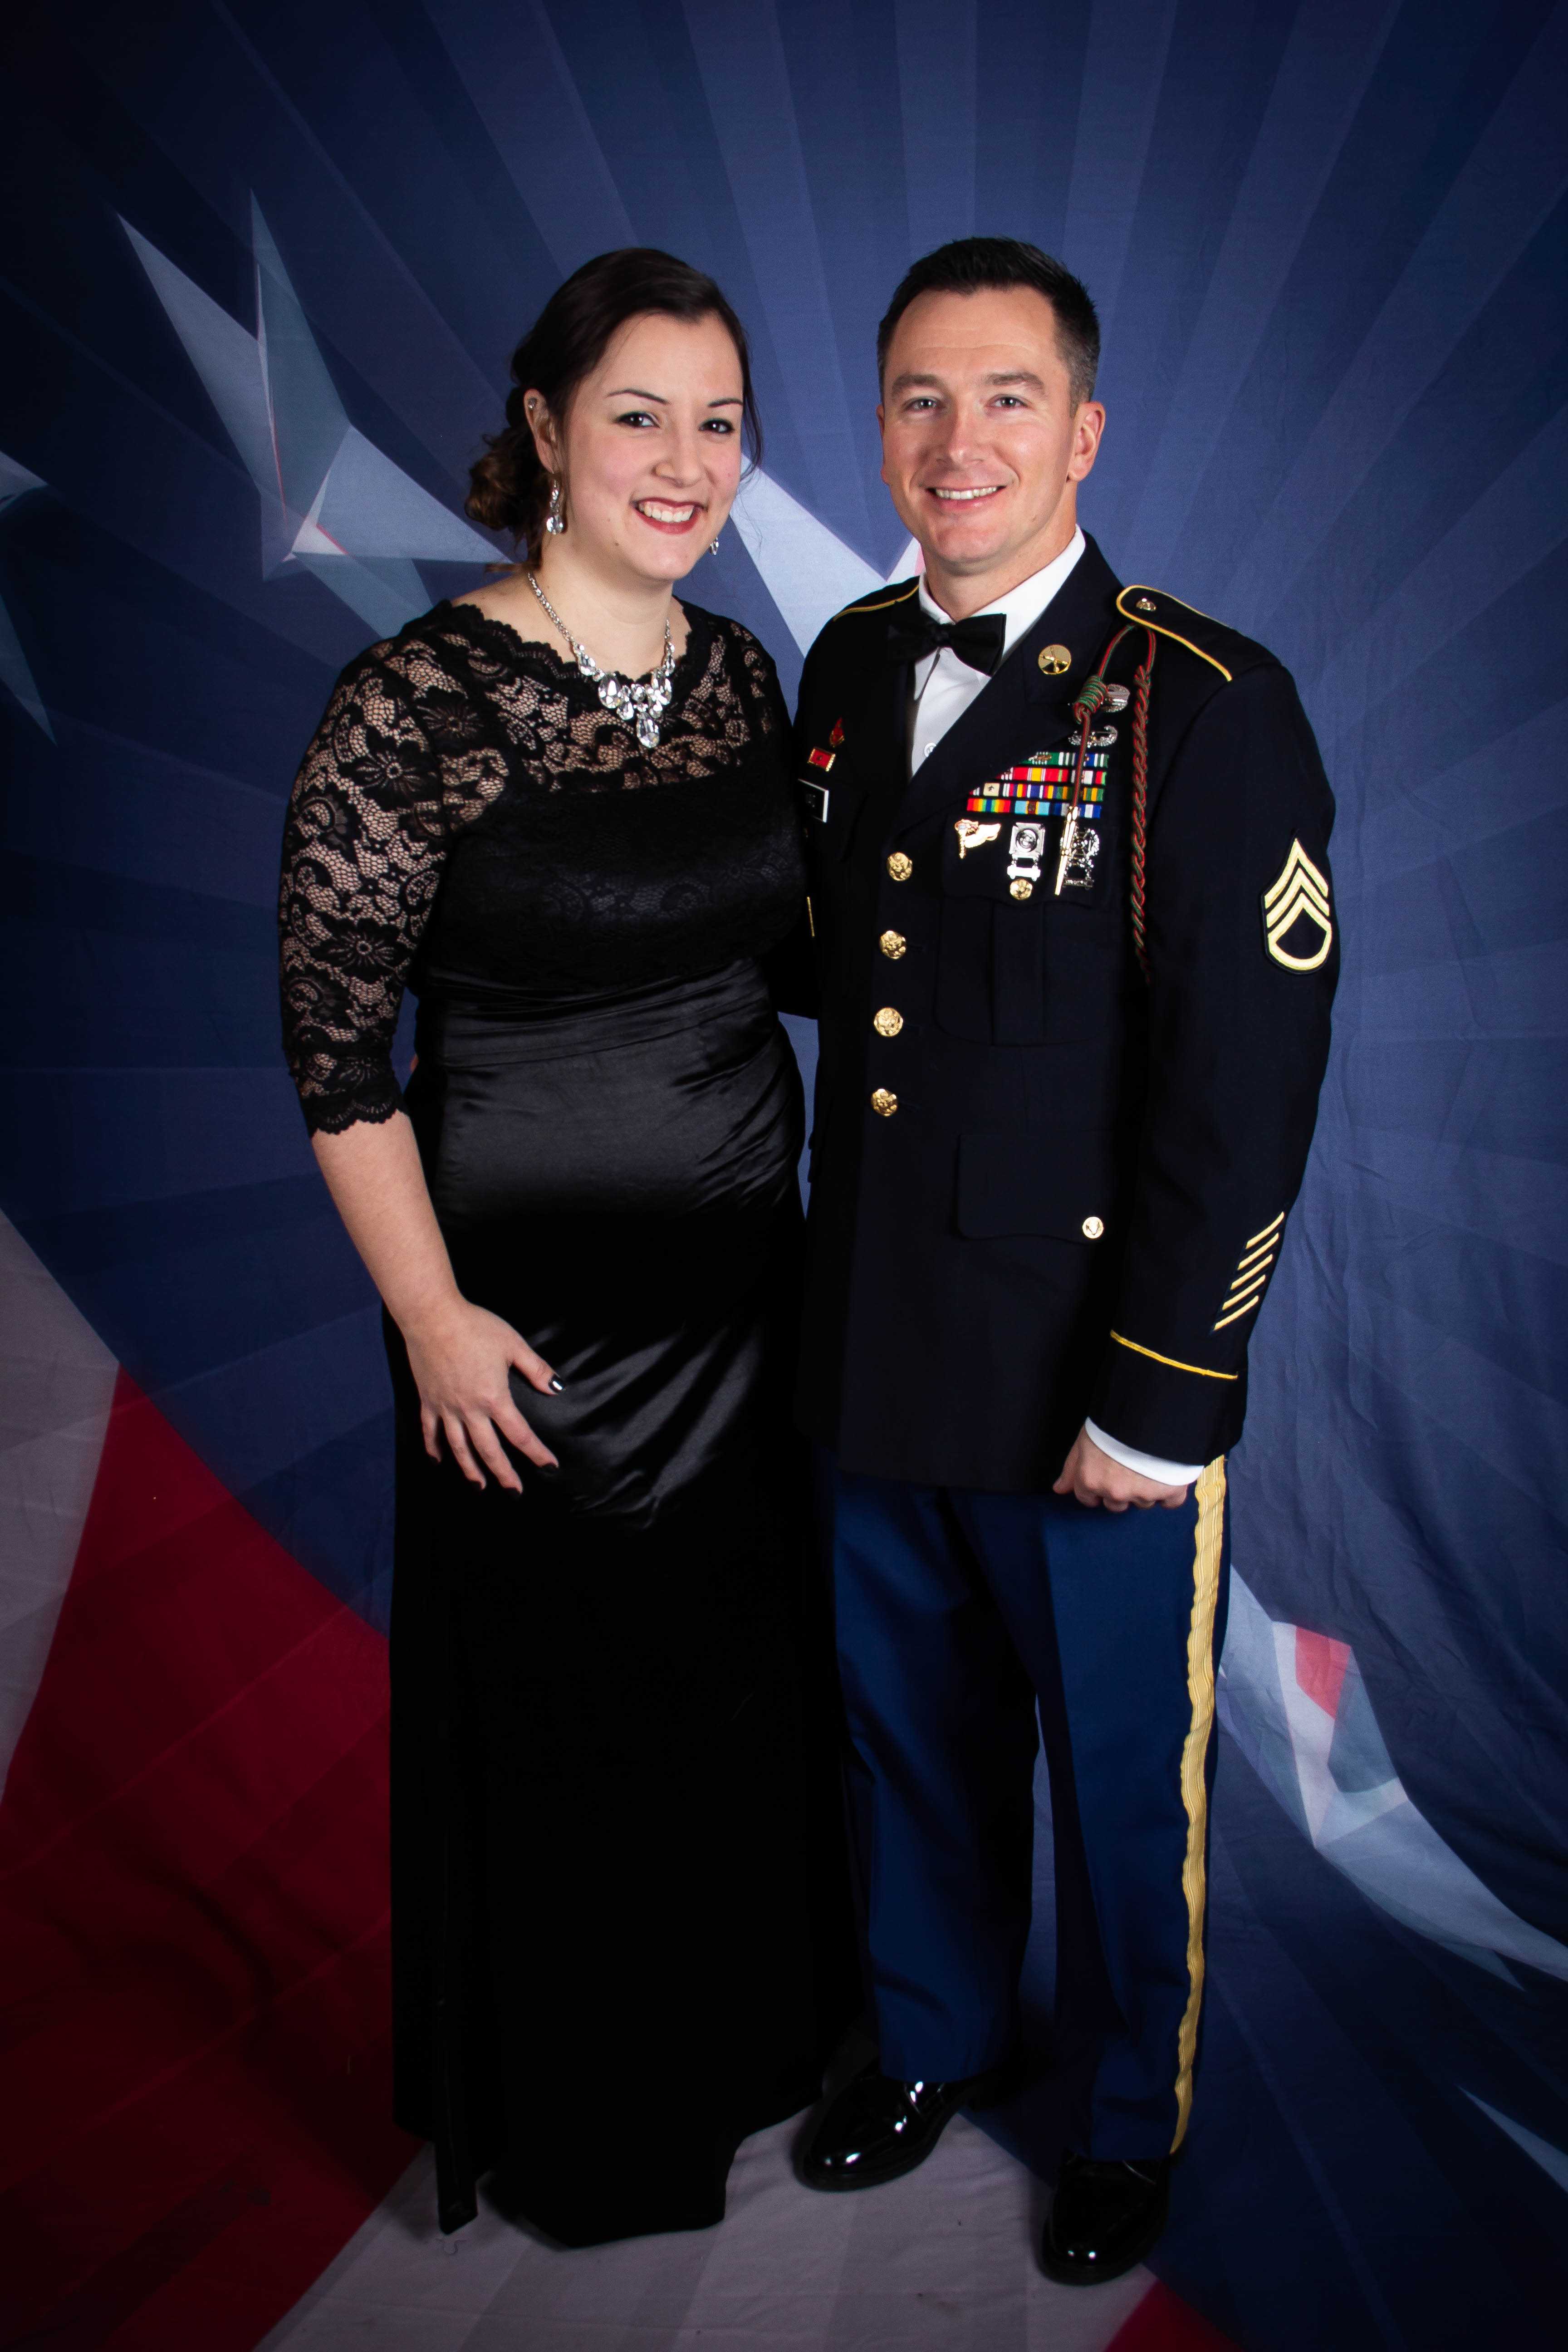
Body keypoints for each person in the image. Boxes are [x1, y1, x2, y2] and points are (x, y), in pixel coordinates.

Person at [278, 248, 852, 2249]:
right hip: (521, 1340)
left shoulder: (744, 677)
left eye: (721, 423)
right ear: (543, 429)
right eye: (638, 416)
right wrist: (429, 1317)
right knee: (568, 1718)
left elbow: (798, 961)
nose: (686, 463)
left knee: (738, 1695)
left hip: (749, 1306)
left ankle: (751, 2053)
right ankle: (595, 2128)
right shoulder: (413, 705)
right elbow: (335, 1053)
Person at [792, 239, 1338, 2282]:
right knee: (908, 1746)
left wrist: (1165, 1397)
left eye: (1008, 397)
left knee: (1121, 1788)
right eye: (921, 398)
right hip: (878, 1348)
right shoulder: (849, 664)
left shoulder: (1204, 704)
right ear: (881, 426)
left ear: (1085, 430)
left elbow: (1243, 1090)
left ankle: (1124, 2120)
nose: (962, 441)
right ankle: (931, 2037)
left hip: (1085, 1382)